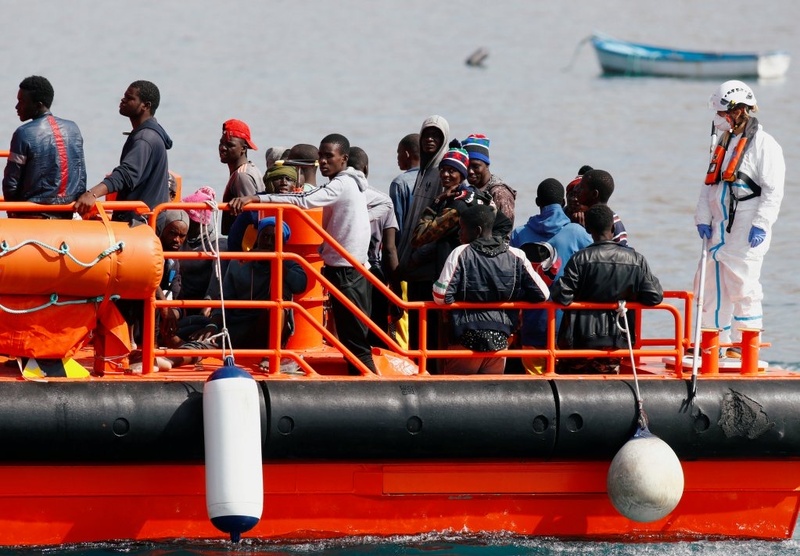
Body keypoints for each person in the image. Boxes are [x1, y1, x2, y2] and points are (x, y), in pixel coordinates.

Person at [229, 133, 376, 374]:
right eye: (321, 156)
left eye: (329, 156)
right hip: (352, 269)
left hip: (347, 272)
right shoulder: (353, 183)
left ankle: (373, 390)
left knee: (355, 344)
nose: (323, 161)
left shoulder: (342, 184)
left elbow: (304, 201)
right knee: (353, 341)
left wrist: (257, 197)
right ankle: (365, 385)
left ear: (344, 159)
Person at [695, 80, 785, 357]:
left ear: (736, 111)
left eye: (722, 114)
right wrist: (703, 217)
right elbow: (709, 185)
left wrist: (761, 224)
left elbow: (773, 190)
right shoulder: (724, 142)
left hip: (746, 223)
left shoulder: (764, 145)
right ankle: (710, 342)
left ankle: (741, 345)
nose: (718, 119)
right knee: (708, 282)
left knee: (743, 284)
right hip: (719, 224)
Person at [167, 217, 307, 370]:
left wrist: (275, 261)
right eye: (265, 237)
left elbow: (300, 285)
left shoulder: (289, 263)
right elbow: (226, 299)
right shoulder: (238, 263)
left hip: (267, 330)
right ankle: (165, 361)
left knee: (279, 303)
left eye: (274, 239)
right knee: (205, 338)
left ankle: (272, 356)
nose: (268, 242)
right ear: (257, 238)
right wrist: (214, 324)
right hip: (238, 326)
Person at [433, 204, 549, 374]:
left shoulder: (460, 253)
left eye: (462, 229)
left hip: (465, 339)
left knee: (457, 397)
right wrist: (516, 295)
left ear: (477, 230)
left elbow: (441, 296)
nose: (459, 234)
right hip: (501, 341)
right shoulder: (516, 255)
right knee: (493, 395)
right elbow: (543, 294)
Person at [550, 204, 663, 374]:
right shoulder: (635, 259)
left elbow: (562, 296)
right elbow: (654, 296)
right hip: (616, 343)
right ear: (613, 227)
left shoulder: (579, 259)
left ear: (587, 229)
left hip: (580, 341)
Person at [509, 178, 592, 373]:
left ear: (538, 203)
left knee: (536, 385)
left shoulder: (519, 235)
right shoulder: (577, 233)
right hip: (567, 328)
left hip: (532, 325)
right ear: (563, 203)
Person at [75, 80, 171, 224]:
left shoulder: (145, 139)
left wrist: (92, 193)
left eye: (130, 98)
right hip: (145, 220)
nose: (123, 100)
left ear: (146, 105)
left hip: (140, 224)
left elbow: (127, 174)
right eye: (124, 96)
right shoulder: (149, 133)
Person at [3, 75, 86, 219]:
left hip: (33, 216)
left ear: (38, 105)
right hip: (68, 215)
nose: (17, 106)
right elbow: (81, 178)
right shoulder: (73, 129)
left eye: (21, 101)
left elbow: (11, 184)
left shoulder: (23, 133)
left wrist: (14, 213)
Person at [351, 146, 400, 348]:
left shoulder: (336, 197)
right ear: (366, 168)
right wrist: (395, 291)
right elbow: (389, 249)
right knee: (377, 330)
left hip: (348, 273)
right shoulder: (383, 200)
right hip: (375, 275)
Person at [176, 186, 228, 321]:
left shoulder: (216, 244)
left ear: (198, 222)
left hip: (203, 306)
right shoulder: (181, 238)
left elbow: (218, 276)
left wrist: (208, 304)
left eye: (187, 217)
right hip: (179, 300)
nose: (183, 220)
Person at [463, 133, 517, 227]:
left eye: (476, 166)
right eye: (467, 166)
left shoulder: (499, 193)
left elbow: (505, 232)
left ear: (486, 165)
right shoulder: (470, 190)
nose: (470, 171)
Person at [218, 119, 262, 234]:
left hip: (242, 246)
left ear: (243, 148)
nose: (222, 148)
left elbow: (250, 218)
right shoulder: (247, 169)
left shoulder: (242, 176)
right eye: (221, 143)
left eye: (230, 145)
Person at [570, 168, 628, 246]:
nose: (576, 189)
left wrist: (580, 231)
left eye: (581, 187)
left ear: (594, 194)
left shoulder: (612, 222)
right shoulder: (582, 216)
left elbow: (618, 253)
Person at [389, 133, 420, 237]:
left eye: (398, 153)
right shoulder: (436, 178)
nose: (397, 157)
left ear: (407, 154)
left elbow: (397, 224)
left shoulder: (399, 183)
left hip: (407, 247)